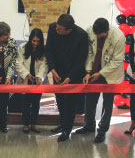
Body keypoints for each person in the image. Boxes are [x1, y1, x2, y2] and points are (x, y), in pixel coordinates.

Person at [75, 18, 125, 143]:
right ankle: (89, 125)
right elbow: (89, 53)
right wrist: (88, 71)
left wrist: (101, 73)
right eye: (96, 34)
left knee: (107, 104)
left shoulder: (118, 37)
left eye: (100, 35)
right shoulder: (90, 31)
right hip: (93, 71)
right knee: (90, 100)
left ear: (107, 30)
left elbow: (117, 61)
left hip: (110, 73)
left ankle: (102, 130)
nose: (97, 36)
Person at [45, 14, 89, 142]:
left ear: (69, 30)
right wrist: (52, 69)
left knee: (70, 102)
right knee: (60, 100)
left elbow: (81, 60)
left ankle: (67, 130)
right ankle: (63, 124)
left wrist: (70, 77)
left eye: (60, 30)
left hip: (73, 73)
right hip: (57, 71)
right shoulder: (53, 28)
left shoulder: (81, 35)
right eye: (57, 28)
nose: (56, 30)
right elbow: (49, 50)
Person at [15, 28, 48, 133]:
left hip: (38, 81)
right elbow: (18, 63)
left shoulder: (43, 50)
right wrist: (27, 74)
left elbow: (44, 66)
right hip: (25, 79)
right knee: (25, 103)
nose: (35, 43)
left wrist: (39, 77)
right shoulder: (22, 47)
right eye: (33, 41)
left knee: (36, 103)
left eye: (38, 41)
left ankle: (33, 124)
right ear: (30, 40)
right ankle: (26, 124)